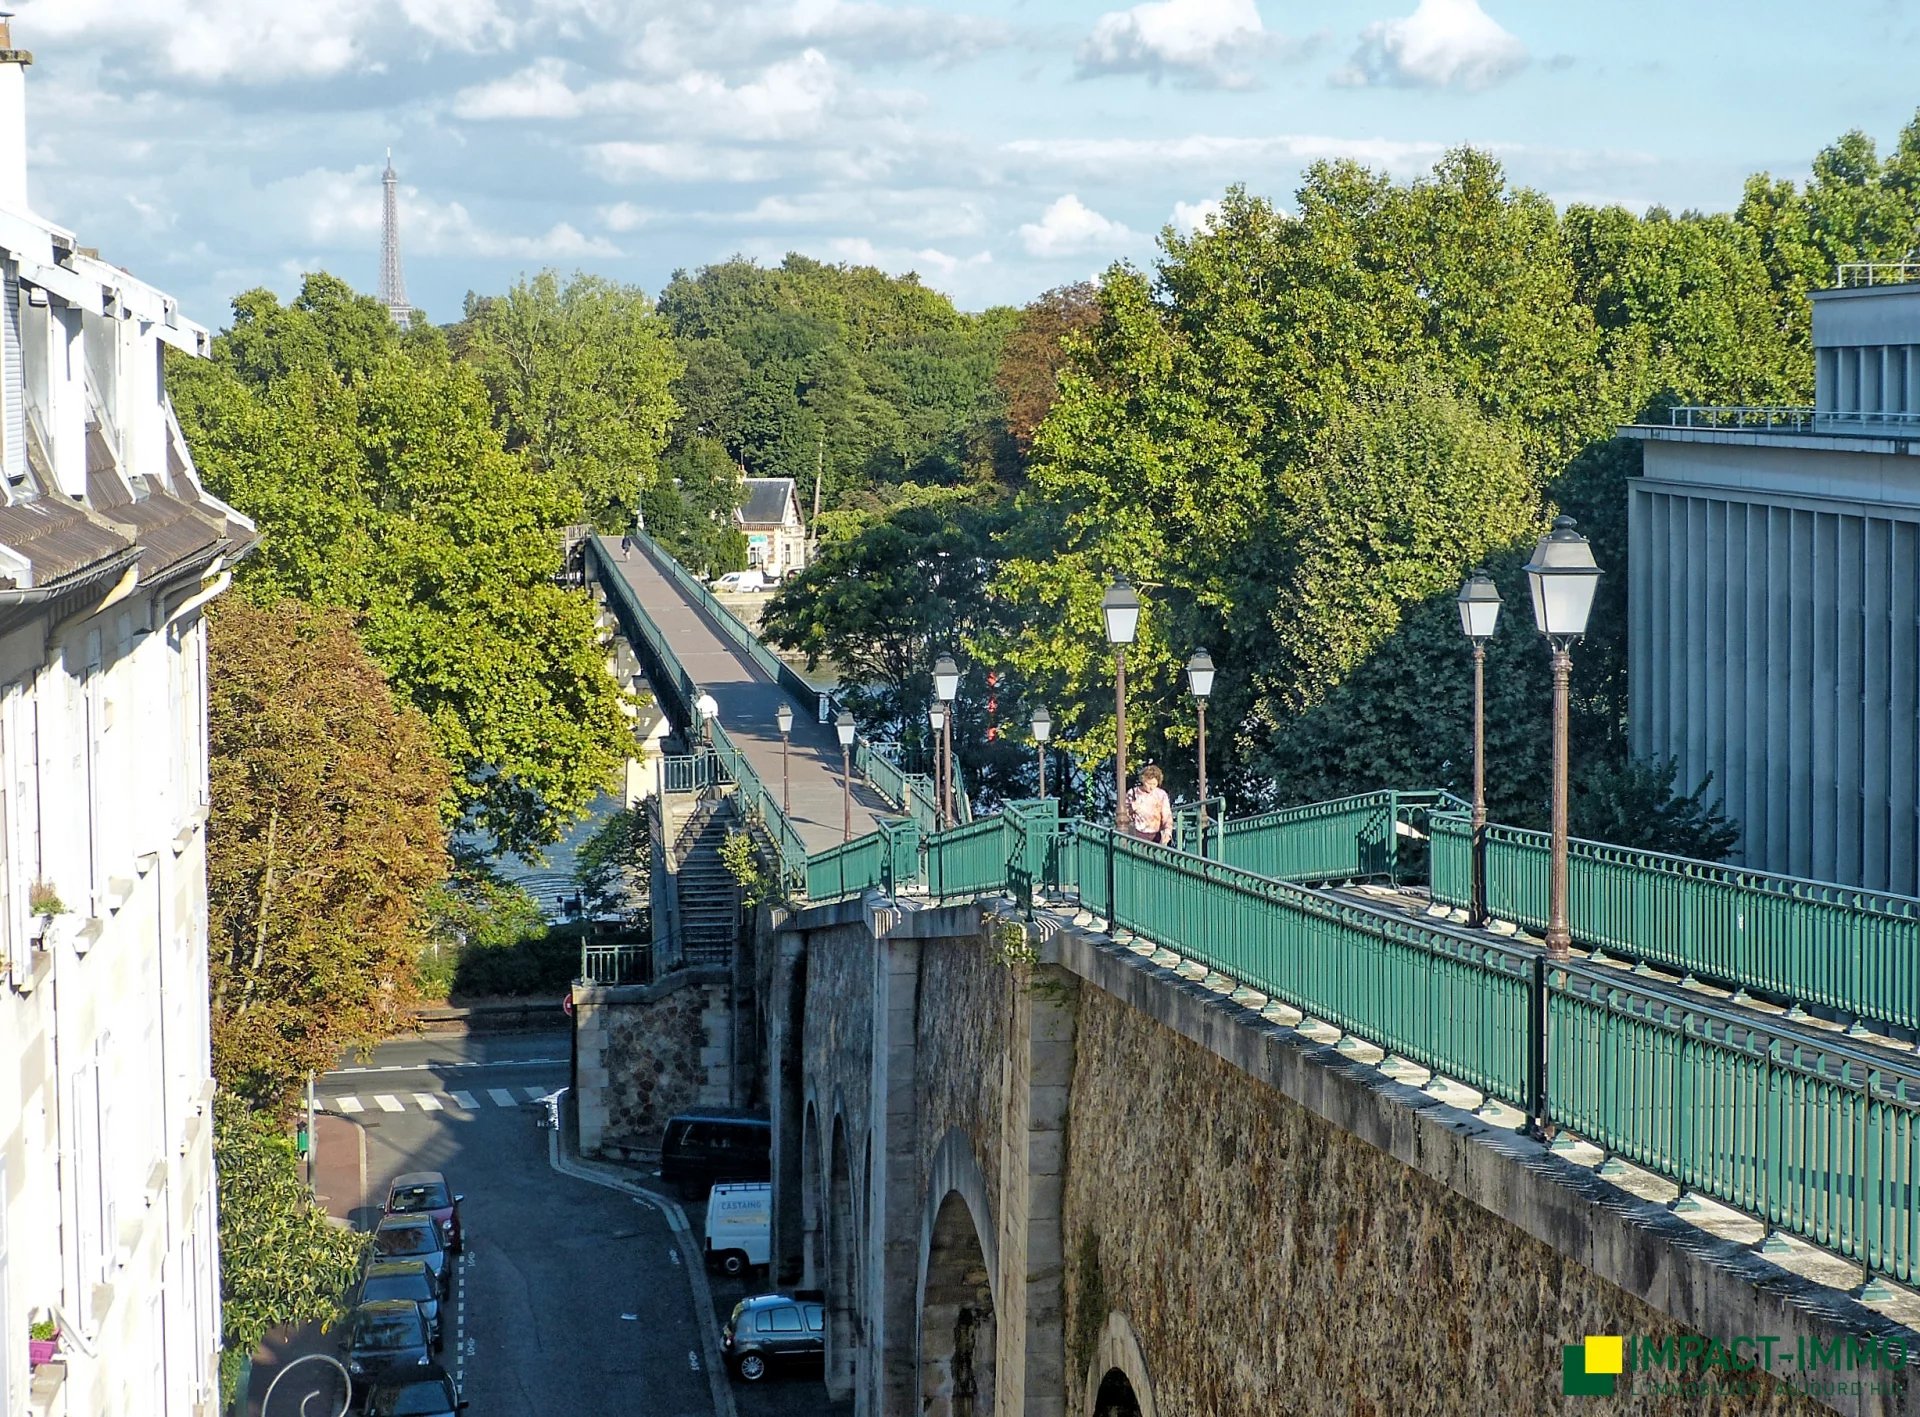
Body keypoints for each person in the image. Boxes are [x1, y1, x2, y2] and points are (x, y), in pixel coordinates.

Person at [1128, 764, 1173, 845]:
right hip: (1137, 834)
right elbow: (1123, 817)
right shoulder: (1133, 793)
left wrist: (1168, 832)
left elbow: (1167, 816)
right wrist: (1132, 808)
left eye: (1154, 784)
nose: (1151, 787)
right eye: (1149, 783)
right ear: (1143, 780)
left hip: (1156, 835)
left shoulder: (1161, 795)